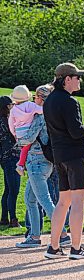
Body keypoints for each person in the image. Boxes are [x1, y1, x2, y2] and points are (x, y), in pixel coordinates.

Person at [43, 62, 84, 259]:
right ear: (67, 79)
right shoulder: (70, 102)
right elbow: (77, 132)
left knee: (63, 202)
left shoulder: (49, 101)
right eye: (77, 77)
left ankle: (53, 247)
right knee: (78, 201)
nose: (80, 80)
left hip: (59, 156)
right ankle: (76, 248)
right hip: (76, 156)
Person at [15, 84, 71, 248]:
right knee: (30, 199)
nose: (34, 100)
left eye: (36, 97)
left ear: (41, 98)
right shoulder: (54, 116)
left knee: (44, 201)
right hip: (46, 161)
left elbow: (29, 138)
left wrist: (17, 138)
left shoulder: (40, 117)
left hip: (36, 162)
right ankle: (35, 236)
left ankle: (62, 234)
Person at [7, 85, 43, 176]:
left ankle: (22, 163)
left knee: (24, 148)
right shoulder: (31, 105)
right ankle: (20, 165)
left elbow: (10, 123)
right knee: (26, 148)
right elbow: (42, 111)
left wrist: (14, 133)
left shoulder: (13, 110)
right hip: (29, 130)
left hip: (19, 132)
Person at [0, 96, 21, 228]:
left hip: (4, 158)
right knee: (14, 189)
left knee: (8, 189)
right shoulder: (7, 121)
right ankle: (13, 219)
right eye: (11, 104)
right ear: (7, 106)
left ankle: (4, 218)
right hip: (12, 157)